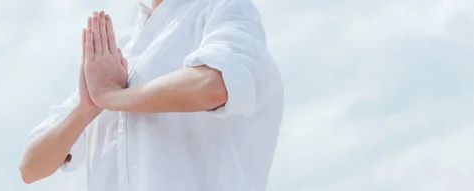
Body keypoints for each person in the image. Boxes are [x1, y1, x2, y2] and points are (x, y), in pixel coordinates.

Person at [19, 0, 284, 190]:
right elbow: (31, 167)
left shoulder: (223, 9)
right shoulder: (120, 49)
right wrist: (86, 108)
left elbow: (214, 85)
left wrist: (112, 98)